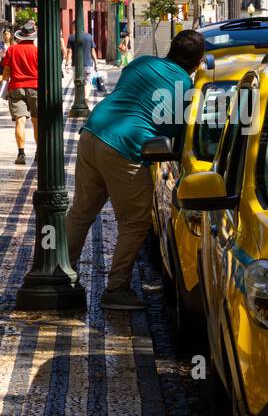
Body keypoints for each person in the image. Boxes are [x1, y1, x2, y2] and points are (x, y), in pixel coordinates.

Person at [65, 29, 207, 310]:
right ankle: (116, 289)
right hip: (124, 148)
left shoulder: (141, 63)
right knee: (134, 223)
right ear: (198, 61)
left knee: (81, 212)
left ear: (170, 48)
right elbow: (169, 134)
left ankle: (62, 274)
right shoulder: (184, 87)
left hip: (93, 132)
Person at [1, 21, 39, 166]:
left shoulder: (11, 50)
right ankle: (38, 152)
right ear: (32, 37)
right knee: (36, 122)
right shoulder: (37, 51)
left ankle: (21, 154)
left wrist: (5, 84)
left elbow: (6, 72)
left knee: (20, 121)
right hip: (35, 87)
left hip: (16, 87)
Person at [65, 25, 101, 95]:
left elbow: (69, 52)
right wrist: (96, 63)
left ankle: (79, 99)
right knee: (87, 83)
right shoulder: (89, 37)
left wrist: (67, 64)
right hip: (88, 65)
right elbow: (93, 51)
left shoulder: (71, 37)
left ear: (75, 27)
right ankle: (86, 99)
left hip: (76, 65)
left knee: (77, 82)